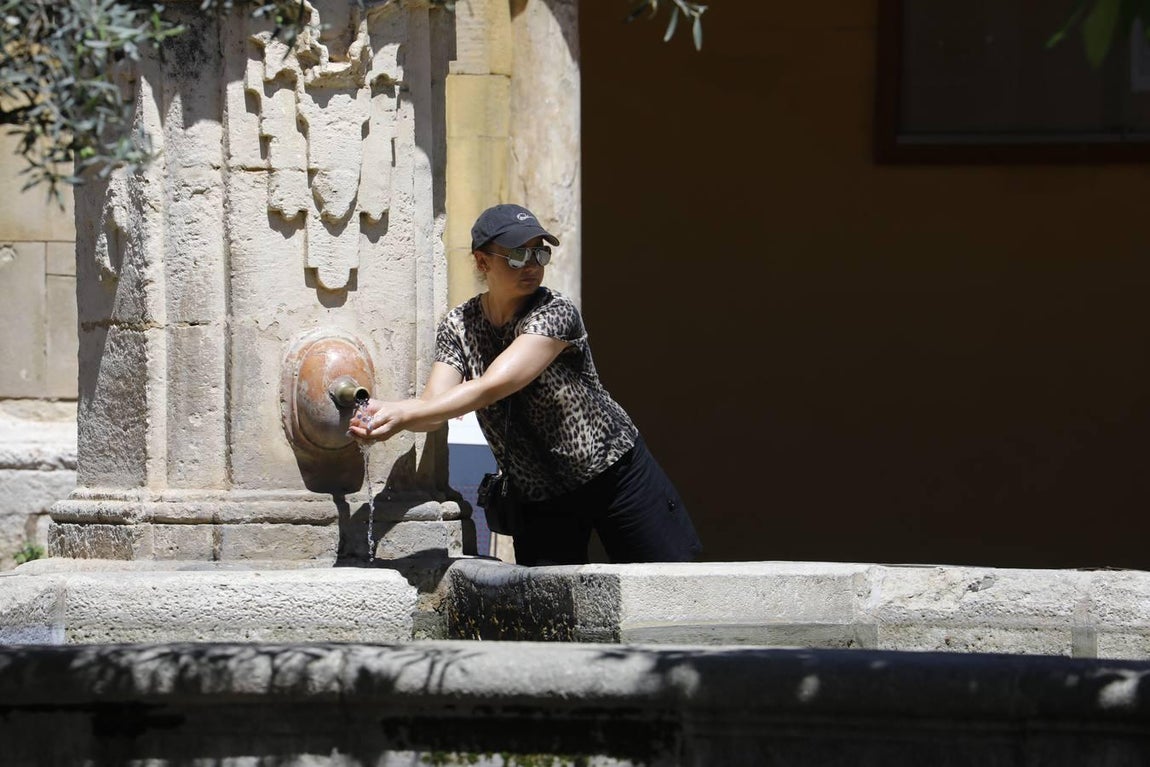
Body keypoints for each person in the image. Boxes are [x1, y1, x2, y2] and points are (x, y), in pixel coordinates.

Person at [350, 203, 701, 566]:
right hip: (538, 497)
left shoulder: (555, 311)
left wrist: (401, 412)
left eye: (539, 253)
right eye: (517, 255)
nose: (532, 265)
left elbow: (493, 386)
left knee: (671, 583)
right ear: (482, 262)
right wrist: (389, 417)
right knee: (546, 602)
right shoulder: (459, 325)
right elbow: (432, 412)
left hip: (615, 474)